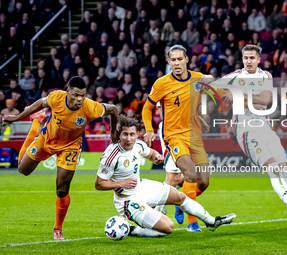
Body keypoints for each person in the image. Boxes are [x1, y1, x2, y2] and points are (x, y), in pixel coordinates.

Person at [1, 76, 118, 240]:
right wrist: (16, 117)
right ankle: (36, 125)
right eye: (76, 95)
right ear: (68, 91)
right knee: (22, 169)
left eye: (82, 95)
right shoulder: (57, 97)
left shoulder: (90, 107)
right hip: (46, 138)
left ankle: (58, 228)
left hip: (70, 146)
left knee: (62, 189)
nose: (79, 99)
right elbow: (41, 103)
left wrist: (113, 132)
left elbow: (113, 109)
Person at [95, 115, 236, 236]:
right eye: (125, 134)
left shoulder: (138, 145)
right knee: (168, 228)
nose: (129, 139)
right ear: (119, 134)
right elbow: (99, 184)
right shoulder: (111, 156)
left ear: (137, 134)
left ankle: (212, 222)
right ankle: (134, 230)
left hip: (142, 188)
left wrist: (156, 156)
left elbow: (149, 153)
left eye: (132, 134)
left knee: (180, 197)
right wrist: (121, 184)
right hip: (128, 201)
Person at [221, 44, 287, 228]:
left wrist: (239, 95)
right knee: (272, 168)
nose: (248, 61)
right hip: (245, 130)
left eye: (251, 58)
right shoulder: (234, 76)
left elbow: (264, 100)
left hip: (265, 127)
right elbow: (216, 88)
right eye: (245, 58)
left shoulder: (266, 76)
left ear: (258, 59)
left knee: (285, 169)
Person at [142, 45, 227, 232]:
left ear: (187, 60)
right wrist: (149, 129)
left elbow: (218, 93)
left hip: (194, 135)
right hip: (173, 136)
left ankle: (181, 203)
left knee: (204, 181)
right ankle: (192, 222)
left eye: (180, 59)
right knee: (190, 175)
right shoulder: (162, 83)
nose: (177, 63)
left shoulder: (198, 79)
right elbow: (147, 108)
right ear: (169, 62)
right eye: (173, 60)